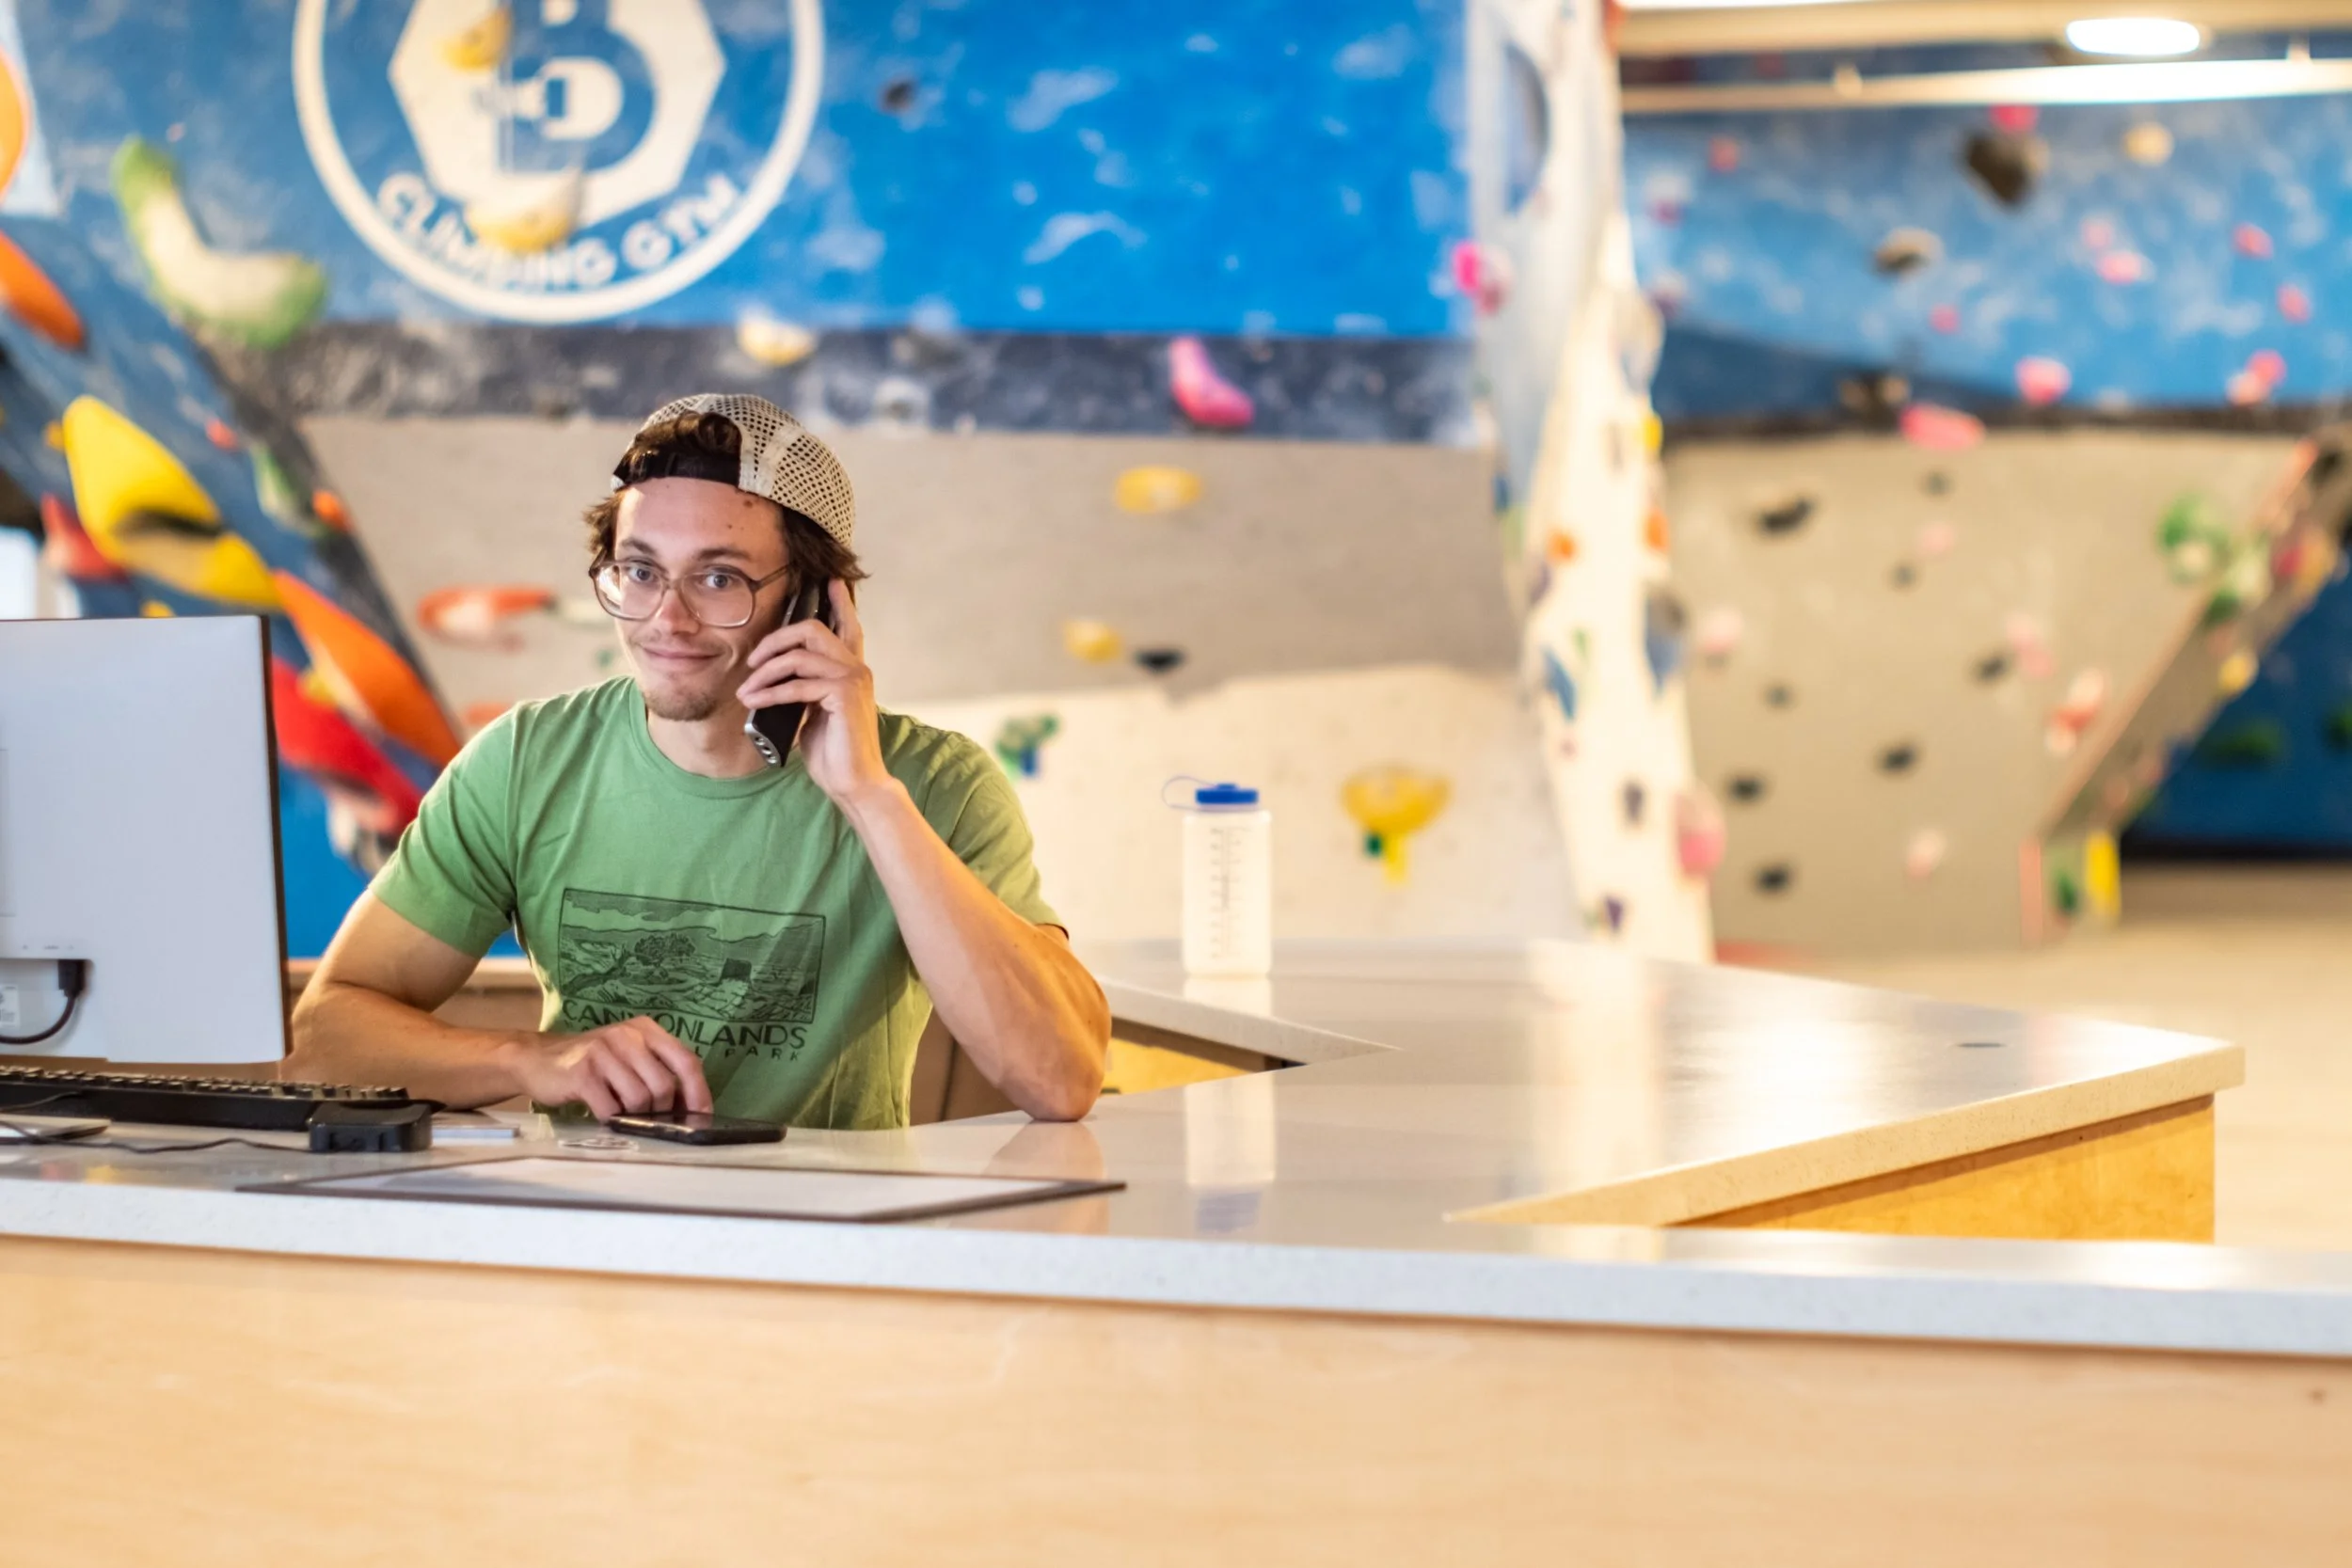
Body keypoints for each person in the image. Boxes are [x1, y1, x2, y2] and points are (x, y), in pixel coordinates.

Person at [287, 393, 1109, 1127]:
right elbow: (327, 1038)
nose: (665, 620)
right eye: (640, 571)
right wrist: (527, 1060)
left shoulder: (934, 784)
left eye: (719, 579)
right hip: (577, 1244)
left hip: (826, 1255)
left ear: (815, 603)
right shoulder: (525, 761)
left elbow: (1060, 1079)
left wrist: (868, 795)